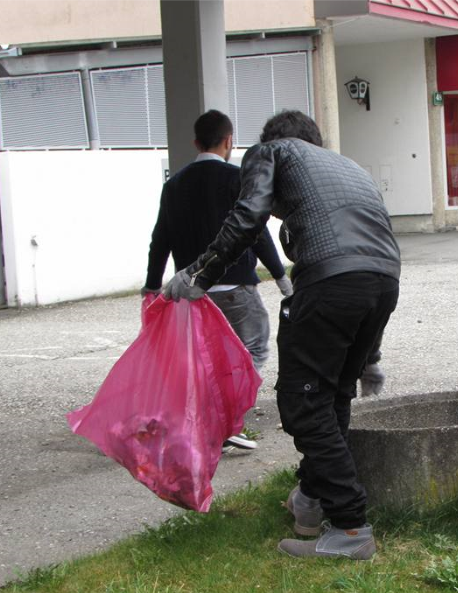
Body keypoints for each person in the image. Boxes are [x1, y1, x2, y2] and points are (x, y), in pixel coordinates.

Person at [164, 110, 401, 560]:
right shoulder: (349, 168)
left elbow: (248, 215)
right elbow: (371, 250)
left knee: (303, 403)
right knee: (332, 398)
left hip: (331, 283)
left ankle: (351, 529)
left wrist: (199, 272)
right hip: (384, 281)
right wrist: (370, 356)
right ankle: (311, 501)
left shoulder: (271, 151)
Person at [143, 109, 292, 451]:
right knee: (252, 348)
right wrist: (281, 275)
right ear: (229, 141)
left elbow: (160, 238)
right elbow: (255, 231)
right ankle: (225, 418)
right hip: (237, 286)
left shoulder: (173, 185)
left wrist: (152, 285)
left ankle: (211, 416)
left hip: (194, 294)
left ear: (196, 142)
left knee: (207, 357)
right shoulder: (236, 178)